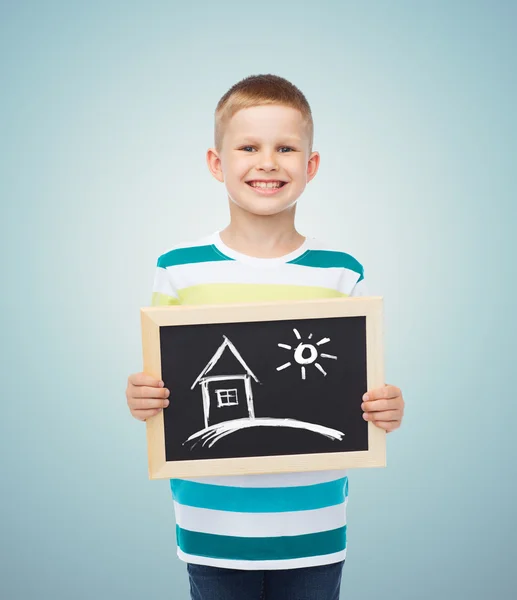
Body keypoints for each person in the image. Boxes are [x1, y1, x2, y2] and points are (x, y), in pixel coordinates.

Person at [126, 74, 405, 600]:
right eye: (249, 147)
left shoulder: (341, 272)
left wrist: (386, 407)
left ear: (311, 165)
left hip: (314, 522)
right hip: (212, 523)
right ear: (217, 163)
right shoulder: (178, 268)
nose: (268, 162)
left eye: (286, 148)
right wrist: (141, 396)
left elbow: (360, 386)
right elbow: (159, 381)